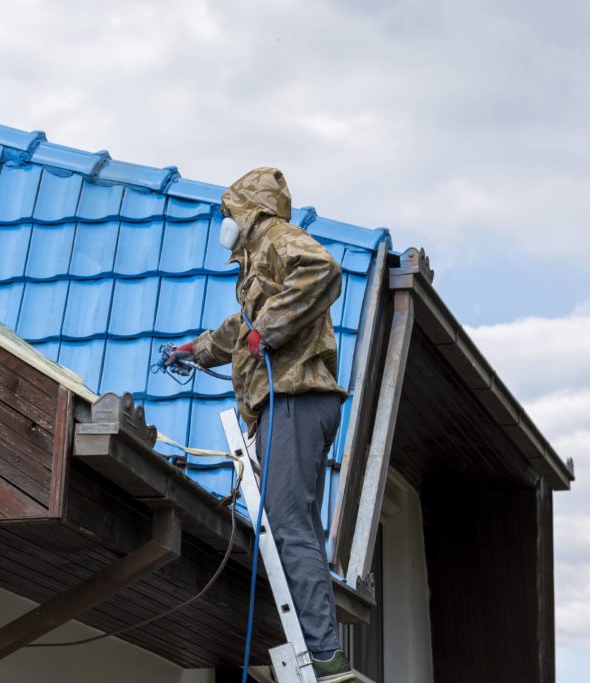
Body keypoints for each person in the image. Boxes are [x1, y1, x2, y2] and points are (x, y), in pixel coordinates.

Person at [170, 167, 352, 681]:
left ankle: (323, 653)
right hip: (295, 402)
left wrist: (268, 331)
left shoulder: (273, 236)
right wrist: (196, 351)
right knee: (299, 524)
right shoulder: (259, 260)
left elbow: (321, 269)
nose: (224, 223)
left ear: (248, 210)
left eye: (228, 214)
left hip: (293, 396)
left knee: (289, 524)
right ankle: (324, 648)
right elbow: (241, 329)